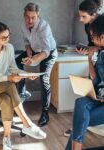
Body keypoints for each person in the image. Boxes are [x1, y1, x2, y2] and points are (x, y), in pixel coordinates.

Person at [0, 22, 46, 150]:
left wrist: (26, 74)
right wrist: (9, 78)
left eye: (8, 36)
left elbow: (13, 68)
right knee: (9, 85)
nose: (7, 39)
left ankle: (6, 139)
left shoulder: (9, 48)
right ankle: (27, 124)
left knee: (6, 99)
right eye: (3, 38)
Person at [64, 0, 103, 137]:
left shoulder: (101, 25)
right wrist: (87, 51)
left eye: (83, 16)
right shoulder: (88, 26)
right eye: (79, 16)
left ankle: (83, 124)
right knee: (88, 93)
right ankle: (80, 125)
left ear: (93, 14)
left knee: (95, 93)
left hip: (100, 60)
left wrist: (93, 49)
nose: (80, 20)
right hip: (95, 59)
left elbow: (98, 44)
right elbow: (92, 44)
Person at [16, 2, 58, 127]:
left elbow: (46, 51)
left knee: (44, 80)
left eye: (33, 17)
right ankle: (22, 92)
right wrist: (28, 51)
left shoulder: (44, 27)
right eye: (27, 17)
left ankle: (45, 113)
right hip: (34, 50)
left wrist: (33, 60)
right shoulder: (23, 24)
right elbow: (26, 41)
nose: (30, 20)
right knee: (16, 63)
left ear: (37, 16)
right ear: (24, 15)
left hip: (48, 53)